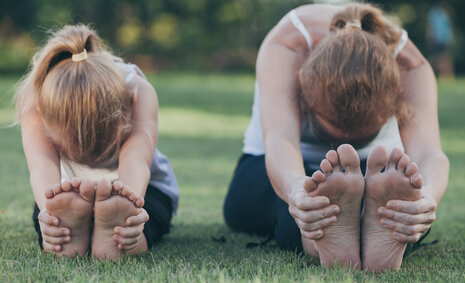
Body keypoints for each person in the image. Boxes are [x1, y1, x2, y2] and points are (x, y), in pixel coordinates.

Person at [223, 2, 448, 272]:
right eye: (329, 129)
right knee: (278, 203)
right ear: (303, 80)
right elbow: (279, 140)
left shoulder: (410, 66)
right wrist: (297, 191)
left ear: (397, 97)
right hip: (282, 162)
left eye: (359, 137)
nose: (337, 147)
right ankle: (322, 232)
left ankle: (384, 228)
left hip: (374, 173)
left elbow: (429, 153)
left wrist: (424, 199)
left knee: (401, 209)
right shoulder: (288, 44)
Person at [15, 25, 179, 259]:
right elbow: (42, 164)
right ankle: (65, 235)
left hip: (143, 188)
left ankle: (125, 240)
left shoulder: (137, 91)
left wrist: (130, 214)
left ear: (127, 107)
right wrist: (50, 218)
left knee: (149, 217)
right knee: (48, 213)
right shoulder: (36, 101)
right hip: (68, 192)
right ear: (44, 113)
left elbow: (136, 158)